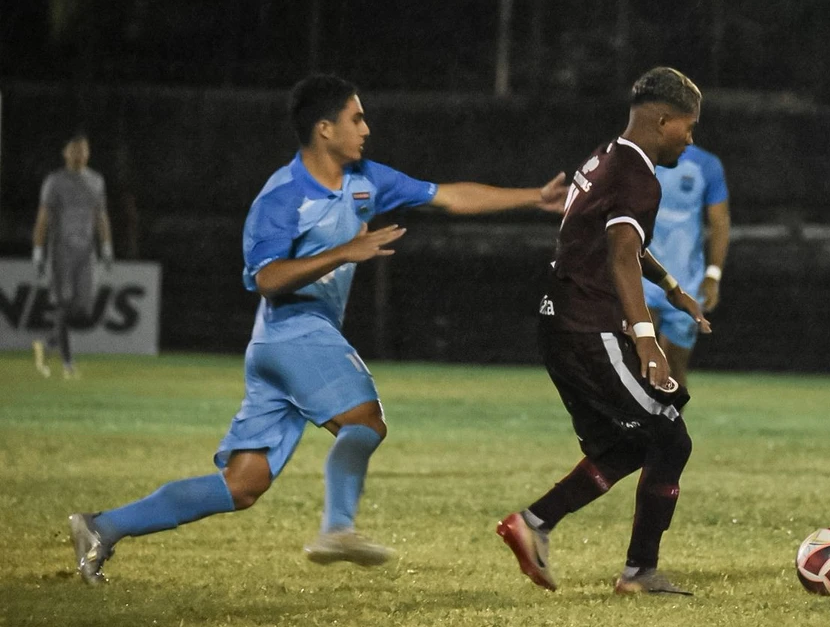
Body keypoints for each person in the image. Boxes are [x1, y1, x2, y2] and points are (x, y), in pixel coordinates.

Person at [67, 74, 568, 585]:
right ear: (325, 129)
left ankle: (102, 526)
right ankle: (338, 527)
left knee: (242, 485)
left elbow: (448, 196)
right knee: (366, 421)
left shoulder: (365, 180)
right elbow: (266, 278)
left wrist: (534, 198)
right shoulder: (282, 197)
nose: (366, 129)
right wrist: (344, 251)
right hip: (291, 330)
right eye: (357, 118)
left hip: (280, 347)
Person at [497, 67, 710, 596]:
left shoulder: (604, 158)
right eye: (689, 126)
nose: (692, 137)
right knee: (669, 433)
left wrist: (671, 285)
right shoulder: (639, 177)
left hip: (561, 324)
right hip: (589, 327)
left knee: (627, 445)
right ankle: (640, 573)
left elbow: (617, 240)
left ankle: (535, 523)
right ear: (664, 121)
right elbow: (619, 256)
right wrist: (646, 339)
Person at [640, 144, 730, 387]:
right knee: (634, 360)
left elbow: (720, 223)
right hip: (642, 279)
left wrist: (713, 275)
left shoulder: (706, 165)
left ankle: (670, 423)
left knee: (673, 370)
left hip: (686, 283)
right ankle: (631, 423)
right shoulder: (639, 158)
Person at [31, 133, 114, 379]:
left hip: (86, 252)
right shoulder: (55, 182)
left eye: (84, 151)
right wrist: (38, 249)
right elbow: (43, 217)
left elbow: (101, 215)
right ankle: (68, 364)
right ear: (65, 153)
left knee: (84, 308)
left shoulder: (96, 181)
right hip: (61, 251)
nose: (80, 155)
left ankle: (46, 344)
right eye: (75, 150)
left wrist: (107, 245)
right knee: (62, 304)